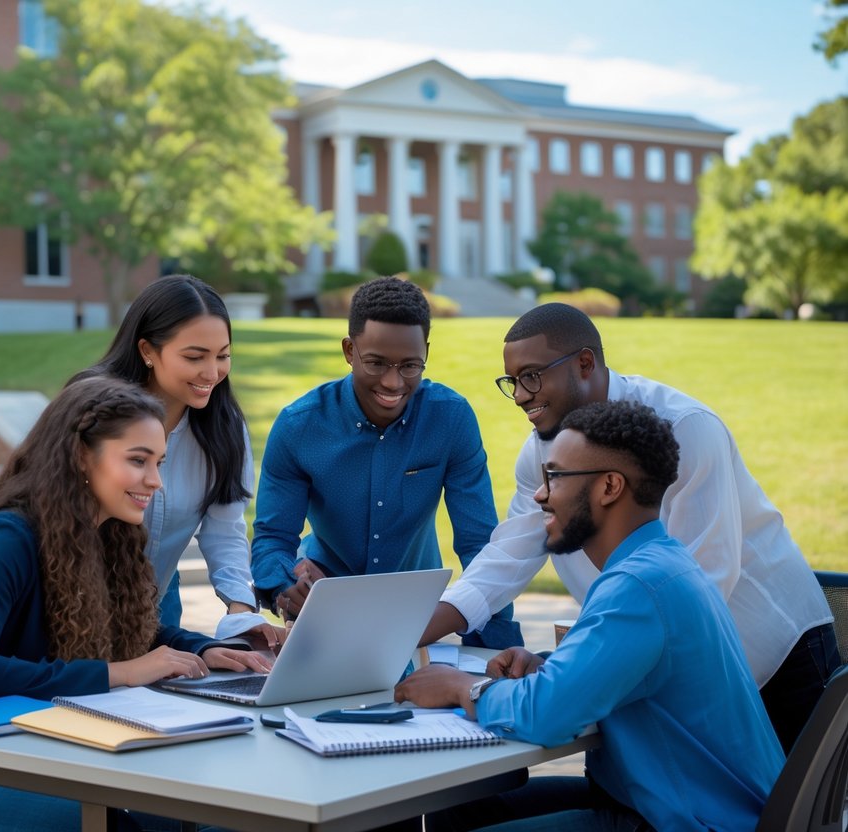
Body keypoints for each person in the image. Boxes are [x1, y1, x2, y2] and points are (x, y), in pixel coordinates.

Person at [425, 302, 837, 752]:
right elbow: (510, 554)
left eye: (532, 376)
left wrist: (580, 665)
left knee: (785, 810)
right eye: (514, 382)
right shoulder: (543, 451)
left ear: (585, 363)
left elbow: (703, 585)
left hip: (774, 651)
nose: (521, 395)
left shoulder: (686, 430)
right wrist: (405, 633)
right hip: (650, 660)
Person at [0, 376, 271, 832]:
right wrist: (119, 673)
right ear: (82, 457)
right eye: (139, 461)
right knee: (112, 825)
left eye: (159, 463)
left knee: (212, 815)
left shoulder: (112, 533)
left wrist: (199, 649)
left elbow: (131, 631)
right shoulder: (3, 539)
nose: (156, 482)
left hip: (38, 750)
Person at [397, 400, 784, 831]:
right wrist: (549, 666)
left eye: (555, 477)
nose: (541, 495)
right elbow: (615, 675)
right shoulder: (661, 564)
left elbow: (548, 717)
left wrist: (464, 688)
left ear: (609, 487)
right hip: (673, 799)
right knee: (463, 802)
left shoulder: (638, 586)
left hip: (692, 819)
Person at [250, 276, 521, 649]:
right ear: (349, 350)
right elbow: (272, 539)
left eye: (410, 365)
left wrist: (498, 647)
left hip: (421, 617)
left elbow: (478, 545)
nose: (393, 383)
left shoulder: (451, 419)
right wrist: (285, 586)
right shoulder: (299, 427)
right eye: (376, 363)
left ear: (426, 352)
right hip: (325, 607)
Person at [72, 274, 277, 644]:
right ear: (148, 350)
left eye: (223, 355)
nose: (212, 373)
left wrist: (241, 612)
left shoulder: (225, 427)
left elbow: (225, 530)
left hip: (156, 602)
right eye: (194, 356)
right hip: (73, 598)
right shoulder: (91, 413)